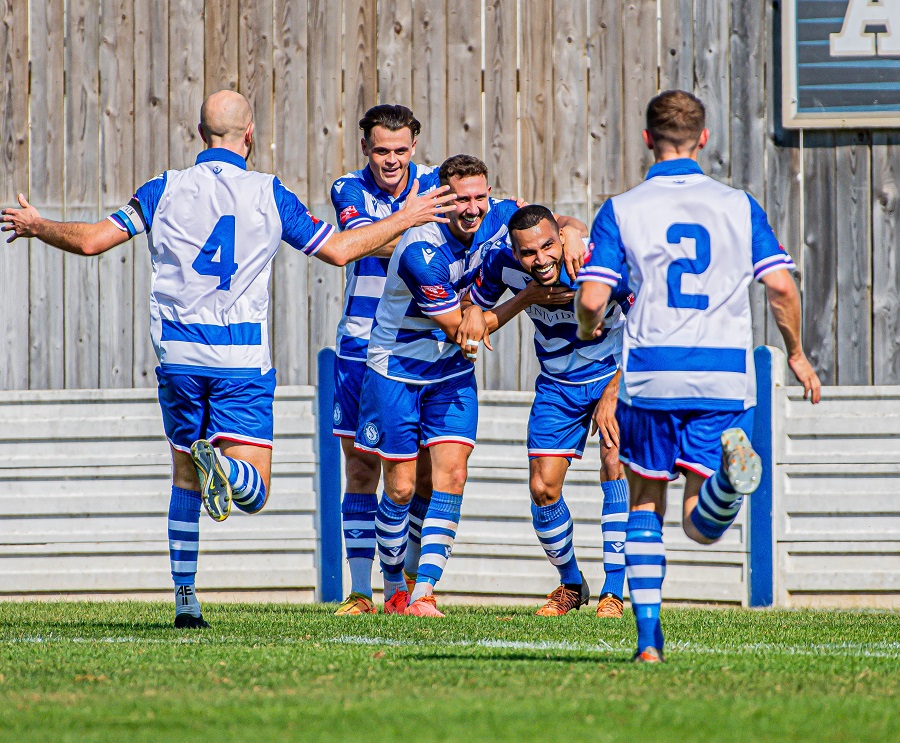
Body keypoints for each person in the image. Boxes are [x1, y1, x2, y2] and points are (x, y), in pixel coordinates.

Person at [1, 90, 454, 629]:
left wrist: (37, 225)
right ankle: (232, 471)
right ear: (250, 133)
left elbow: (95, 241)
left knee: (183, 473)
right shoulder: (269, 192)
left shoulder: (162, 188)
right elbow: (339, 251)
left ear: (199, 134)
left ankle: (186, 597)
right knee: (254, 490)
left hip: (178, 354)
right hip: (240, 357)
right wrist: (407, 218)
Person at [575, 90, 821, 662]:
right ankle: (727, 486)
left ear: (646, 138)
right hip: (723, 376)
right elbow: (781, 286)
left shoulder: (623, 208)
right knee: (700, 524)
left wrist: (590, 325)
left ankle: (647, 643)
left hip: (652, 376)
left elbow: (592, 296)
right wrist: (796, 353)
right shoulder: (738, 205)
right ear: (703, 139)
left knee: (644, 503)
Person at [355, 155, 588, 617]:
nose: (473, 207)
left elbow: (547, 221)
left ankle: (423, 592)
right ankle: (391, 587)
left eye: (480, 196)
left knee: (453, 476)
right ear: (442, 198)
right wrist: (526, 298)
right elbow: (461, 329)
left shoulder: (497, 214)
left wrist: (574, 229)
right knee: (400, 489)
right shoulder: (422, 250)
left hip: (450, 372)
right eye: (462, 198)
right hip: (397, 369)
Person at [458, 204, 631, 618]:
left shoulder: (594, 258)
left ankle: (613, 591)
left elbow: (648, 320)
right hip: (557, 384)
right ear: (515, 252)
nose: (541, 259)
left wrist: (615, 388)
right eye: (529, 253)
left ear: (560, 238)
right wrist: (517, 301)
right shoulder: (502, 261)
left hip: (614, 373)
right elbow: (473, 310)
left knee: (615, 461)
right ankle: (572, 583)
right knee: (542, 488)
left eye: (549, 246)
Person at [329, 105, 441, 616]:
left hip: (422, 347)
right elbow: (357, 248)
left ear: (413, 147)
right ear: (365, 148)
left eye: (400, 150)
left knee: (420, 475)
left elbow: (487, 221)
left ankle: (408, 587)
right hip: (359, 345)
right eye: (381, 150)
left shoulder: (440, 182)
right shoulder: (347, 188)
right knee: (360, 468)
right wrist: (417, 222)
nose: (391, 160)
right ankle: (358, 591)